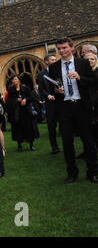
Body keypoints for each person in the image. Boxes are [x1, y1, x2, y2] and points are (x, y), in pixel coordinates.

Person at [48, 38, 98, 184]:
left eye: (64, 48)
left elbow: (93, 81)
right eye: (59, 49)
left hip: (82, 106)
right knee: (67, 142)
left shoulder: (82, 63)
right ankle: (72, 173)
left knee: (88, 140)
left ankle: (93, 172)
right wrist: (56, 90)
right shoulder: (54, 67)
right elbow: (52, 86)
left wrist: (80, 77)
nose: (61, 51)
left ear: (72, 48)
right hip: (64, 107)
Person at [6, 75, 40, 152]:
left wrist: (25, 100)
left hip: (26, 112)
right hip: (17, 113)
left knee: (29, 128)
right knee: (18, 129)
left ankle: (31, 144)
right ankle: (19, 145)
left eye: (15, 79)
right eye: (13, 80)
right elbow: (8, 101)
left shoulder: (26, 88)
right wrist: (16, 100)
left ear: (19, 80)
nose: (14, 81)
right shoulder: (10, 90)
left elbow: (31, 97)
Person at [37, 54, 60, 154]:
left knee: (65, 125)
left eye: (55, 59)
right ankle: (54, 147)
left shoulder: (59, 71)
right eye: (52, 59)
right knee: (51, 127)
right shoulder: (41, 74)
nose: (55, 61)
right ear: (46, 62)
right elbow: (41, 90)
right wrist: (48, 96)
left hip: (61, 101)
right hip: (50, 104)